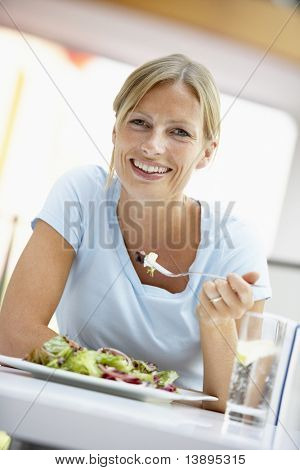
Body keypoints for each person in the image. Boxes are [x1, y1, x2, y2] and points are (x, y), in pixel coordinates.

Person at [0, 54, 271, 413]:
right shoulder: (82, 192)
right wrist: (136, 380)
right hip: (65, 418)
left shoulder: (237, 244)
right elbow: (13, 332)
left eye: (179, 132)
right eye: (140, 122)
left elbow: (242, 405)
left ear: (207, 152)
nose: (152, 146)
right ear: (115, 131)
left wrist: (217, 323)